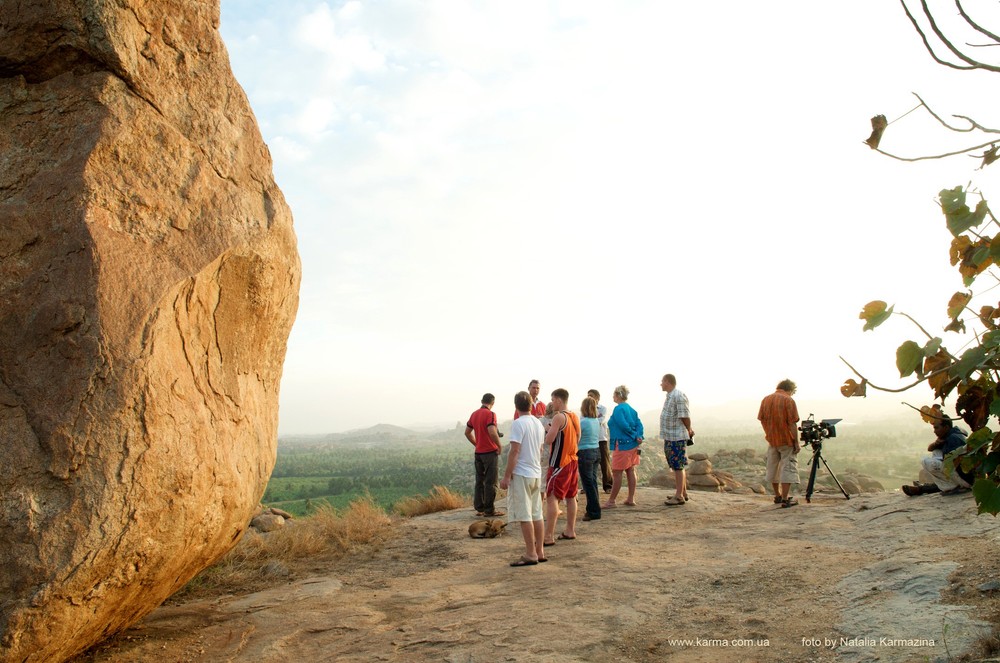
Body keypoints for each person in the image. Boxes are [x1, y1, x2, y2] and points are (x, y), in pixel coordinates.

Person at [501, 391, 547, 566]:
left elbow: (515, 451)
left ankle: (530, 553)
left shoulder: (518, 424)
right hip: (536, 473)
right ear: (530, 405)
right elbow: (541, 450)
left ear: (516, 406)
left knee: (525, 514)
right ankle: (540, 551)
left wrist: (506, 476)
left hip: (522, 473)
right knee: (537, 513)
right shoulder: (538, 423)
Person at [542, 388, 580, 545]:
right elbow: (578, 437)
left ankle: (548, 536)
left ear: (558, 400)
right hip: (573, 460)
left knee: (552, 498)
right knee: (571, 497)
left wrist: (547, 429)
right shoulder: (574, 416)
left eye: (552, 399)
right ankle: (570, 530)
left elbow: (549, 440)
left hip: (559, 463)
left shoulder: (558, 417)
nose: (551, 402)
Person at [758, 379, 800, 508]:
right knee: (787, 467)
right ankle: (785, 499)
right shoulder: (788, 400)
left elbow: (762, 419)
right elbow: (792, 423)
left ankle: (778, 495)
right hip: (786, 440)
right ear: (790, 389)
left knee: (773, 467)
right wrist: (796, 442)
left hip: (772, 439)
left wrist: (770, 433)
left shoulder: (766, 399)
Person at [902, 418, 972, 496]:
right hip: (964, 477)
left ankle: (924, 489)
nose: (934, 431)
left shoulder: (953, 438)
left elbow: (953, 463)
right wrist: (936, 444)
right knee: (936, 452)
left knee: (928, 462)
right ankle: (924, 488)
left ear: (946, 427)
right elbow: (930, 448)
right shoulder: (951, 434)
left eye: (936, 428)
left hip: (965, 478)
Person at [604, 385, 644, 508]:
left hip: (622, 444)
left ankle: (611, 501)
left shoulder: (618, 409)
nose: (612, 397)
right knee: (630, 470)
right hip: (633, 445)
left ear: (618, 395)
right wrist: (639, 436)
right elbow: (639, 424)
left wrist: (633, 435)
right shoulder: (631, 409)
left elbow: (623, 425)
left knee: (617, 472)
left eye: (614, 395)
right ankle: (630, 499)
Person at [465, 393, 504, 517]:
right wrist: (499, 445)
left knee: (479, 481)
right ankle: (489, 510)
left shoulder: (474, 414)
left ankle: (480, 508)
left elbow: (467, 432)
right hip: (489, 452)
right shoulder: (491, 414)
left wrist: (477, 444)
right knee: (490, 482)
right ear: (492, 403)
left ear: (482, 401)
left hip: (478, 453)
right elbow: (492, 431)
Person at [660, 374, 693, 507]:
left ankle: (679, 496)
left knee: (678, 466)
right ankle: (682, 493)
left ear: (668, 382)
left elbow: (685, 415)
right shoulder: (670, 395)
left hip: (676, 436)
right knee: (675, 465)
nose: (661, 384)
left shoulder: (678, 396)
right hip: (670, 436)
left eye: (662, 381)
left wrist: (689, 430)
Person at [578, 397, 602, 521]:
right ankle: (594, 508)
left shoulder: (583, 422)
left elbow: (577, 437)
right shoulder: (596, 421)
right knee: (593, 482)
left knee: (588, 484)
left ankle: (594, 511)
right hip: (596, 451)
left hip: (585, 452)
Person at [588, 388, 613, 493]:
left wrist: (589, 422)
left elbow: (601, 420)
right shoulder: (585, 409)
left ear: (597, 398)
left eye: (591, 395)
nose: (589, 397)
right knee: (589, 464)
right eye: (588, 395)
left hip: (601, 439)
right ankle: (588, 487)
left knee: (605, 463)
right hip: (590, 440)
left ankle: (608, 486)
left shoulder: (603, 408)